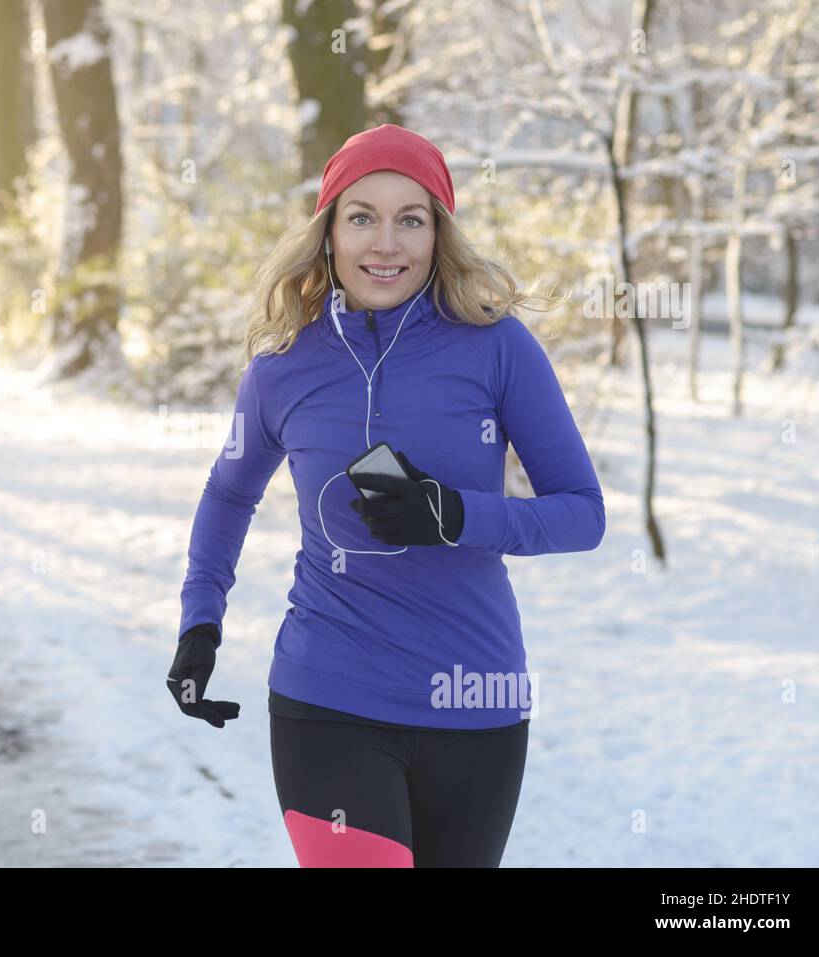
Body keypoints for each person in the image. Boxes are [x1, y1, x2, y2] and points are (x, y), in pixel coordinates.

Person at [166, 124, 606, 867]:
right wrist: (199, 624)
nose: (387, 242)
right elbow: (228, 493)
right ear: (328, 230)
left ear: (440, 234)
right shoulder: (285, 364)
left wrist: (457, 514)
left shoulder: (497, 347)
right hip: (327, 694)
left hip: (477, 697)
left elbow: (581, 512)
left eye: (412, 218)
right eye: (362, 215)